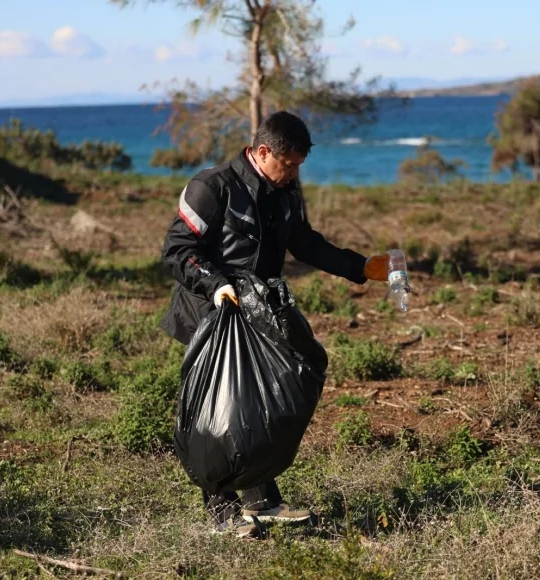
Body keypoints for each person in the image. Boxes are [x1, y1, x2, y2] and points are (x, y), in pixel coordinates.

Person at [158, 111, 390, 539]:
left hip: (261, 314)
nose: (294, 173)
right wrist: (215, 285)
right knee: (224, 409)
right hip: (212, 314)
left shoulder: (285, 191)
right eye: (289, 164)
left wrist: (361, 267)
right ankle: (222, 514)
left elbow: (304, 242)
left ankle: (262, 500)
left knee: (264, 404)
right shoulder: (212, 187)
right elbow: (177, 251)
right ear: (263, 152)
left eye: (300, 165)